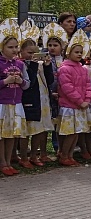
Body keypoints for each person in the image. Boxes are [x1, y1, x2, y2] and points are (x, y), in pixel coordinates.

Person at [19, 24, 55, 167]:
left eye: (35, 52)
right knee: (26, 130)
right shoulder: (22, 65)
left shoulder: (39, 64)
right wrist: (33, 65)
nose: (32, 56)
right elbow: (30, 83)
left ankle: (35, 155)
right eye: (29, 52)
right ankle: (23, 157)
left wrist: (47, 66)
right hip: (29, 100)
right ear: (21, 52)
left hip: (43, 100)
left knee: (39, 129)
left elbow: (50, 81)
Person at [57, 30, 91, 167]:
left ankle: (70, 156)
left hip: (81, 106)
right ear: (68, 53)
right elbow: (67, 88)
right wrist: (80, 101)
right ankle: (64, 155)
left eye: (80, 52)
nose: (79, 54)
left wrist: (87, 100)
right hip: (69, 107)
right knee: (69, 133)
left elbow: (88, 85)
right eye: (76, 52)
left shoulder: (83, 69)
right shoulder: (64, 69)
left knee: (77, 132)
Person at [0, 20, 29, 176]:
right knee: (2, 135)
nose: (14, 50)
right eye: (10, 47)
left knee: (11, 133)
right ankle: (2, 162)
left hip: (16, 104)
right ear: (2, 48)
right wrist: (6, 81)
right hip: (2, 104)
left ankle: (9, 161)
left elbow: (27, 84)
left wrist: (20, 81)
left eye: (16, 47)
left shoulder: (20, 64)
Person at [42, 23, 67, 153]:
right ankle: (53, 145)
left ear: (62, 47)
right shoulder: (46, 60)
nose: (52, 48)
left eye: (55, 45)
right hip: (49, 93)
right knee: (52, 119)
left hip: (64, 94)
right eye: (50, 45)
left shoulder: (65, 60)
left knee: (60, 119)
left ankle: (61, 146)